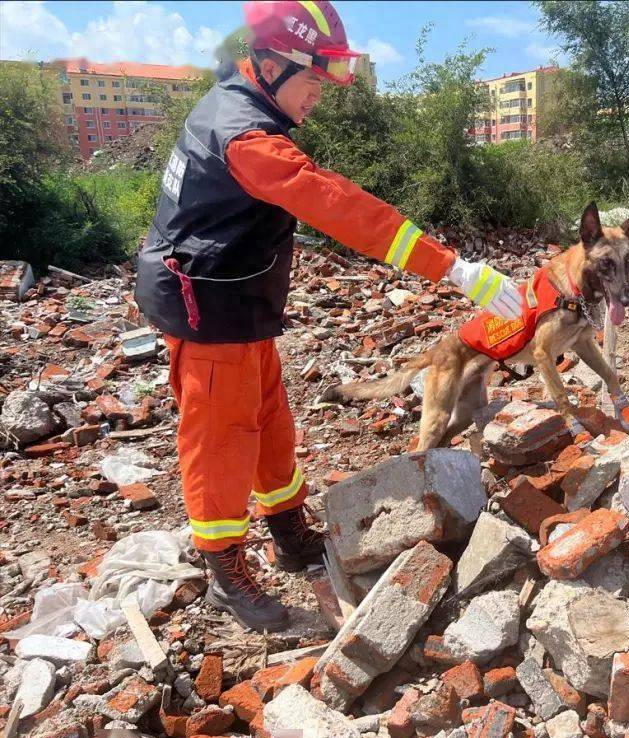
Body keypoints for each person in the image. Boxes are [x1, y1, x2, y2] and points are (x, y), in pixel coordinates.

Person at [134, 0, 523, 632]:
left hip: (235, 300)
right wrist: (452, 268)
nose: (318, 94)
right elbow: (339, 207)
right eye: (313, 79)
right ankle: (224, 569)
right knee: (222, 438)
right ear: (271, 62)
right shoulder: (248, 137)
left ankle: (287, 531)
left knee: (267, 421)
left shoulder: (241, 107)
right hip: (208, 308)